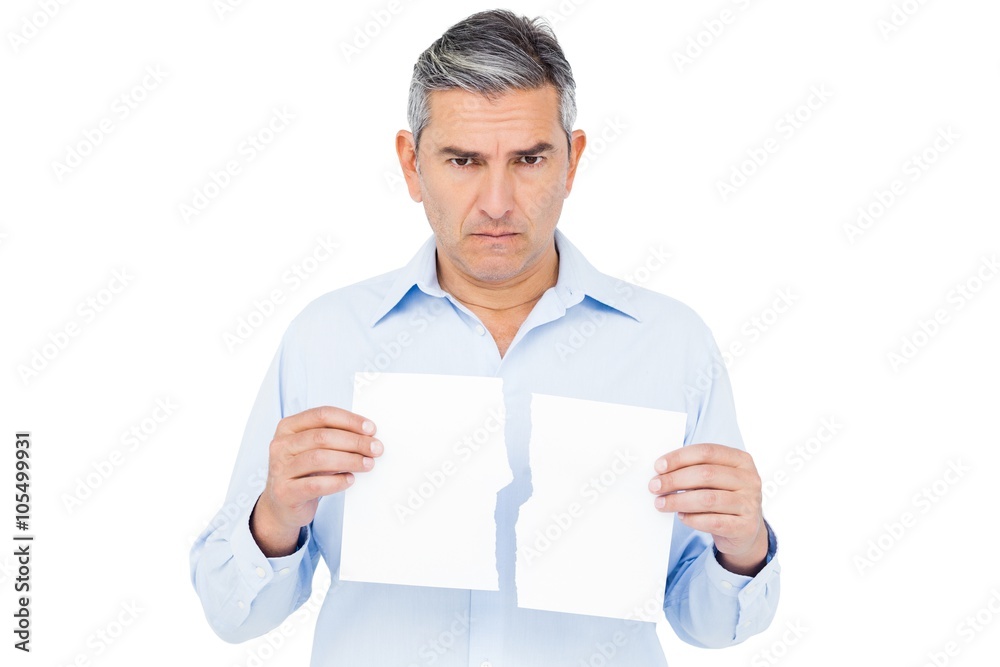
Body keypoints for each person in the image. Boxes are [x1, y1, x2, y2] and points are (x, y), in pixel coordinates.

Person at [190, 9, 780, 666]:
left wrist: (742, 547)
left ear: (572, 161)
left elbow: (710, 625)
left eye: (528, 159)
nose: (497, 202)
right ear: (411, 165)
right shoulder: (326, 340)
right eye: (463, 160)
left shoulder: (671, 346)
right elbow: (234, 615)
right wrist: (274, 517)